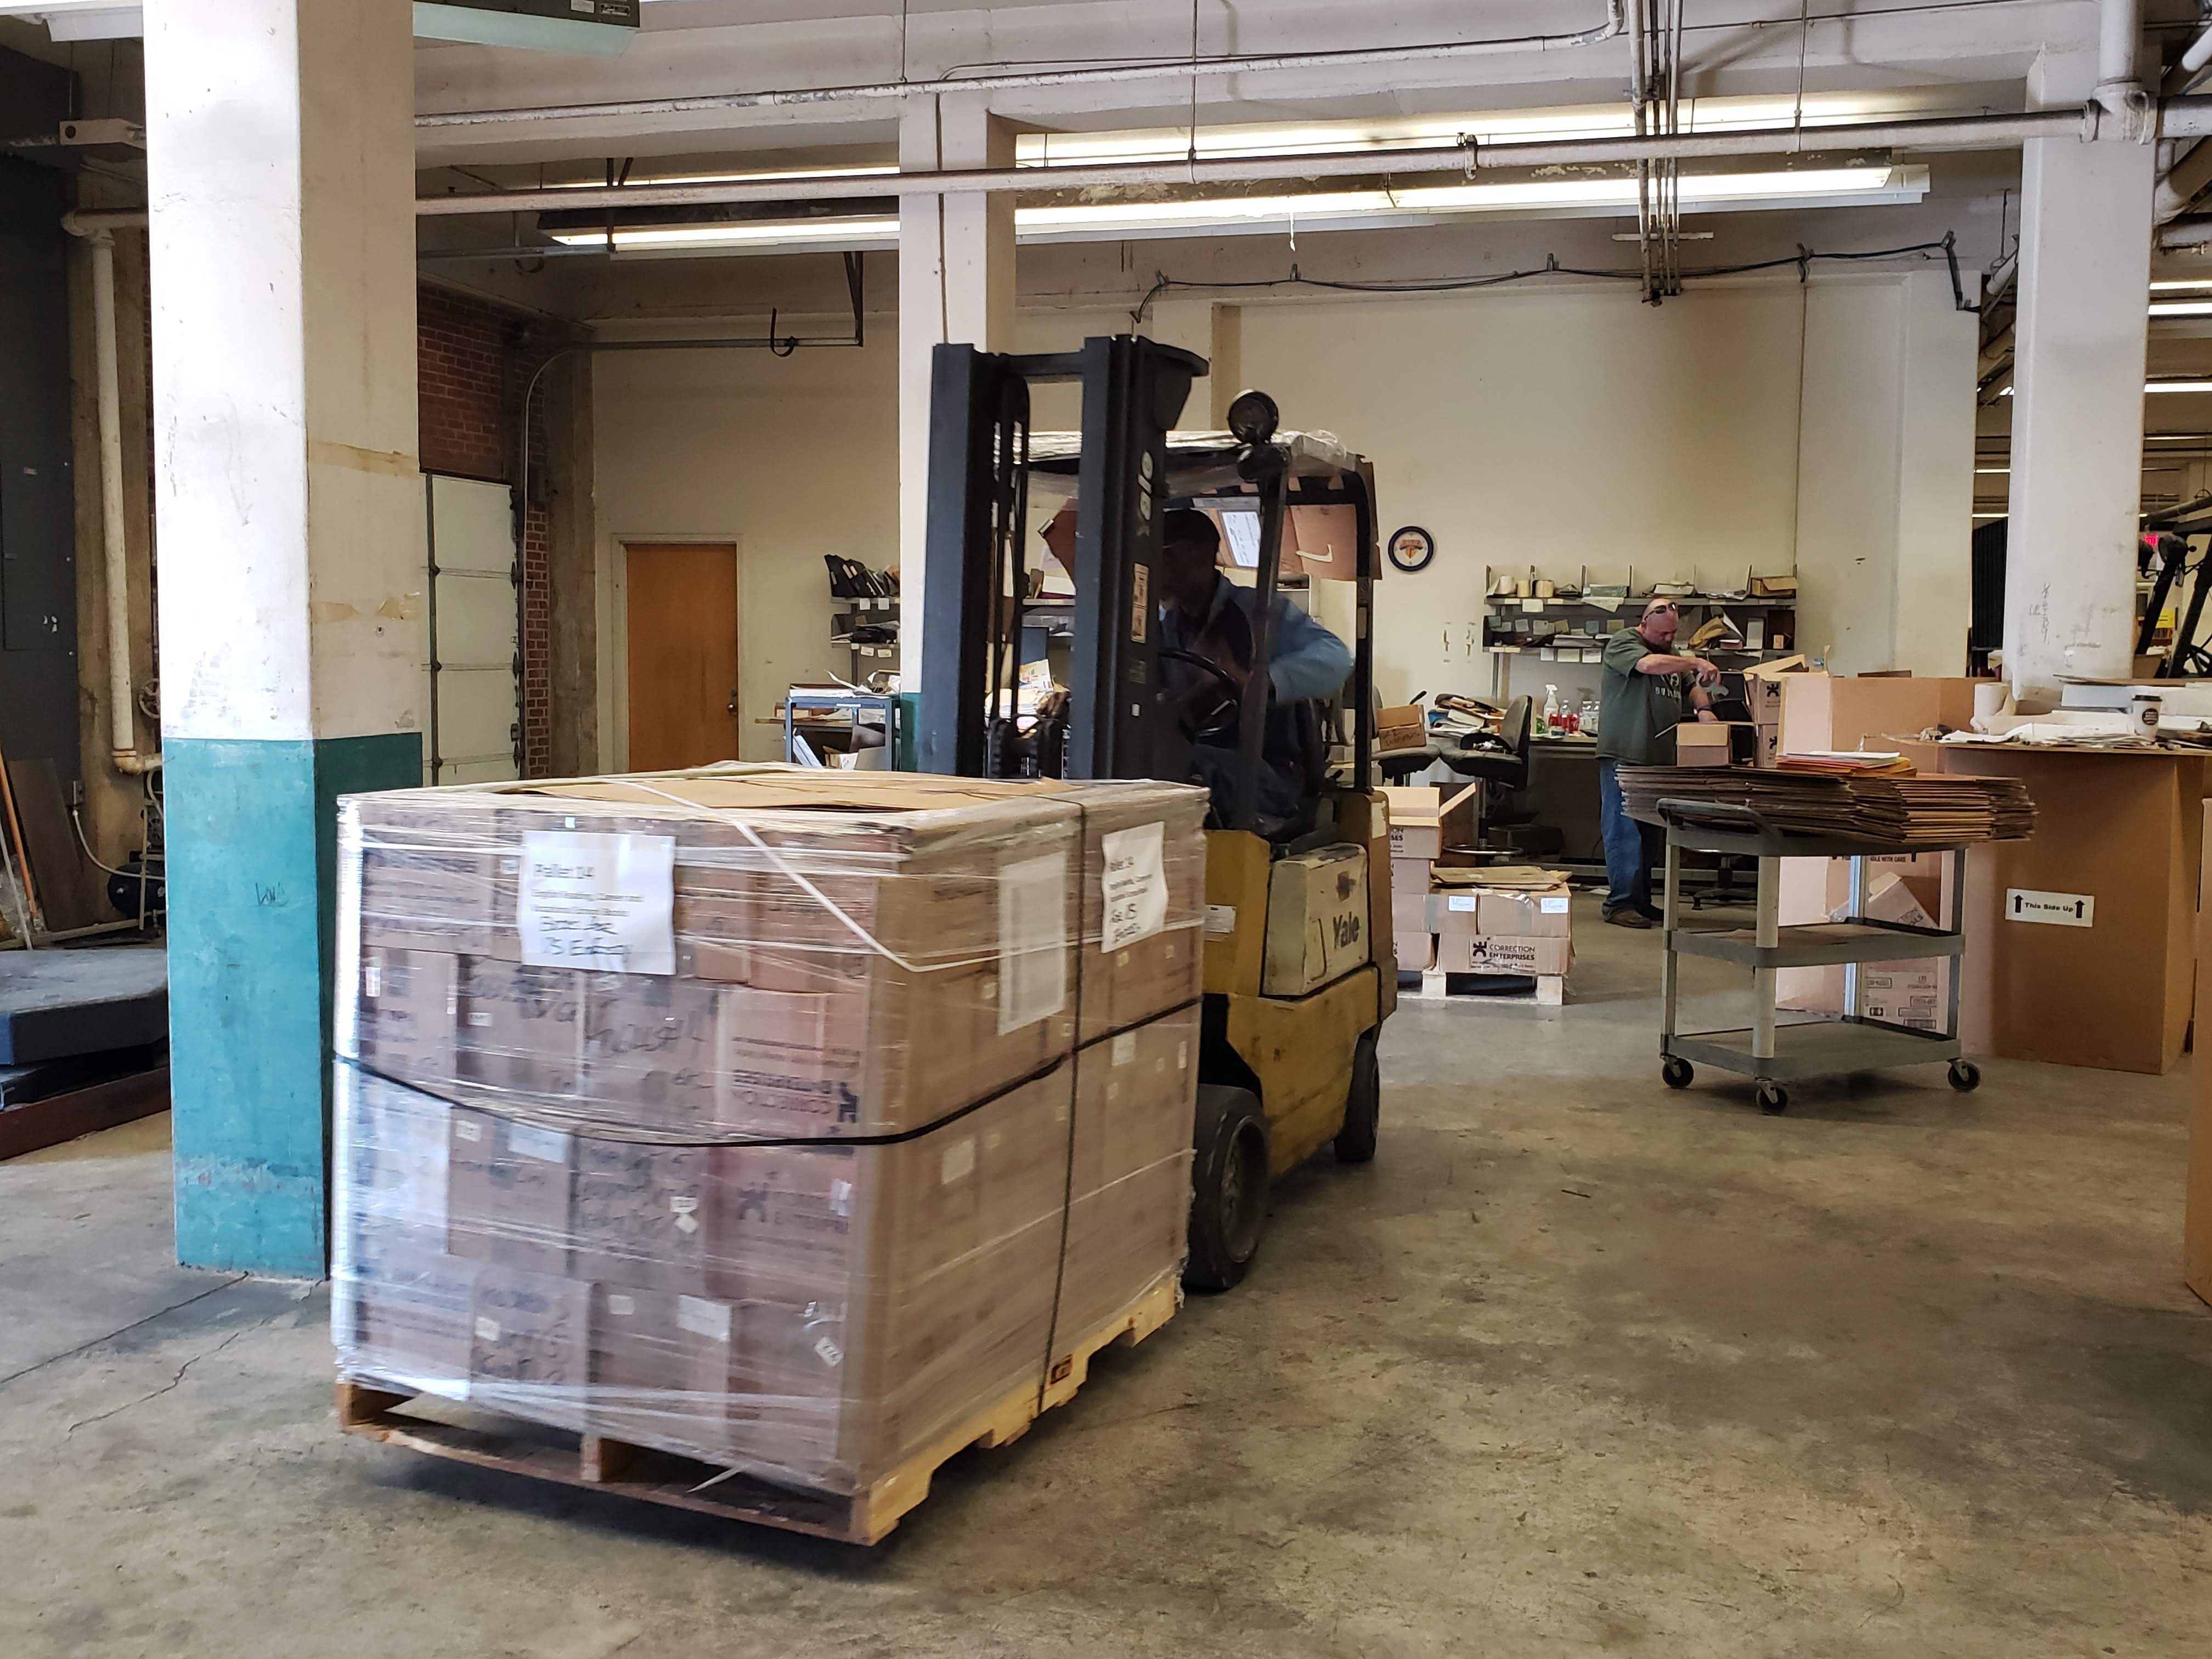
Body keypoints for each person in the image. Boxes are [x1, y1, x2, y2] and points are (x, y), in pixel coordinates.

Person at [1156, 507, 1352, 825]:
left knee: (1172, 764)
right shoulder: (1163, 624)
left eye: (1163, 557)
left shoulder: (1259, 613)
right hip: (1200, 756)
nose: (1153, 570)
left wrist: (1259, 680)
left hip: (1267, 771)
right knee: (1150, 759)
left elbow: (1338, 657)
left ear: (1199, 555)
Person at [1594, 599, 1720, 928]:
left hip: (1658, 759)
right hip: (1626, 753)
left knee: (1650, 833)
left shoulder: (1674, 655)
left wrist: (1704, 709)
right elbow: (1648, 666)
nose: (1668, 638)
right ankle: (1619, 904)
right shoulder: (1624, 642)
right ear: (1645, 623)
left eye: (1673, 633)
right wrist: (1694, 661)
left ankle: (1641, 901)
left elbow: (1691, 688)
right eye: (1663, 633)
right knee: (1624, 832)